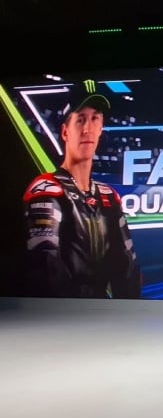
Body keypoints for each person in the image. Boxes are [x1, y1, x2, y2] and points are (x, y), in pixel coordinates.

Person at [22, 79, 141, 299]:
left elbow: (127, 266)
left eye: (94, 118)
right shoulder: (46, 189)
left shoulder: (108, 197)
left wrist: (128, 312)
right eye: (80, 120)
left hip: (104, 314)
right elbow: (45, 265)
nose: (87, 129)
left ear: (101, 128)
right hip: (61, 314)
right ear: (65, 132)